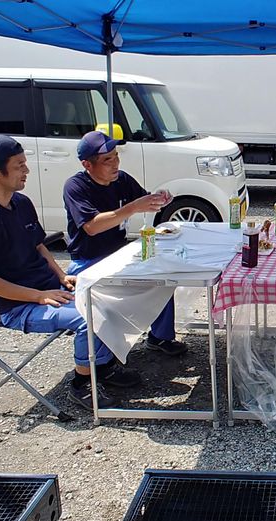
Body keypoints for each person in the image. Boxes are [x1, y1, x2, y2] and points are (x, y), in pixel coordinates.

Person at [0, 134, 140, 410]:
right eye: (19, 165)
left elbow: (39, 246)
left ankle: (103, 368)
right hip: (19, 306)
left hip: (49, 289)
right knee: (90, 315)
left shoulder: (21, 203)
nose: (27, 170)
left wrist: (60, 276)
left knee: (110, 295)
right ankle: (81, 385)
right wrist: (38, 296)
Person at [62, 130, 187, 356]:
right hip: (89, 261)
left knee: (163, 275)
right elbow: (91, 226)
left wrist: (159, 199)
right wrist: (133, 207)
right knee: (109, 302)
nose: (115, 164)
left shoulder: (122, 179)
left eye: (116, 156)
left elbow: (144, 201)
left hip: (120, 256)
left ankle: (160, 337)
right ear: (87, 165)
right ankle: (104, 359)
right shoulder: (76, 186)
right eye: (107, 160)